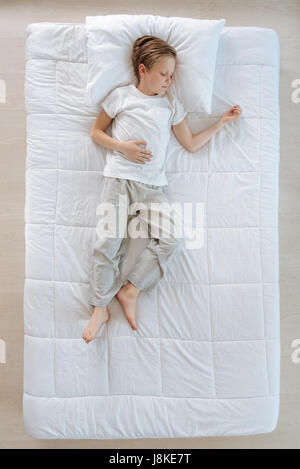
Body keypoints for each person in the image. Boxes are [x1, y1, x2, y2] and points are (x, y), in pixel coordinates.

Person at [82, 35, 242, 344]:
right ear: (143, 70)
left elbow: (191, 144)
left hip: (152, 188)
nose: (169, 80)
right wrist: (122, 147)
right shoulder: (122, 97)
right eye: (163, 74)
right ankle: (100, 307)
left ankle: (131, 289)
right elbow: (95, 132)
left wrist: (221, 123)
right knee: (107, 243)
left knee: (173, 241)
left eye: (172, 75)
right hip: (118, 180)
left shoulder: (171, 105)